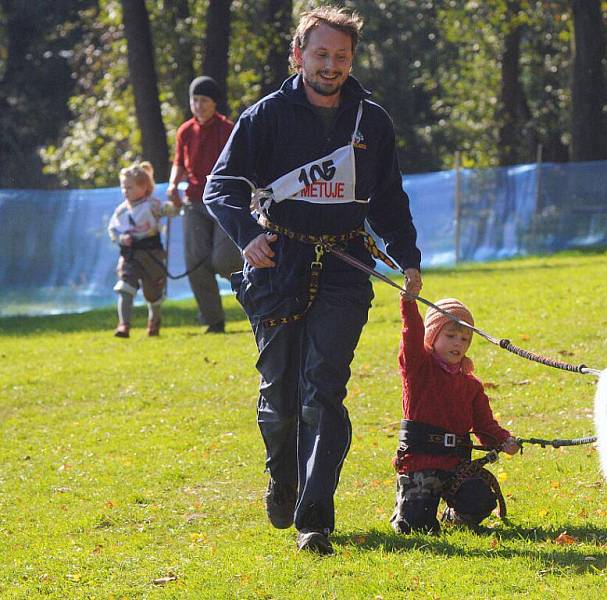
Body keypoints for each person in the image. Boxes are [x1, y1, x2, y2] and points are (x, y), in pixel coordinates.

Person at [203, 6, 423, 555]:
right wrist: (246, 235)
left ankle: (315, 520)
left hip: (346, 265)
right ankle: (282, 475)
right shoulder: (265, 117)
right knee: (280, 394)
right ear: (299, 55)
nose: (331, 65)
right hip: (278, 265)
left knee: (323, 389)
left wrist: (408, 258)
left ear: (352, 59)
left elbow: (390, 199)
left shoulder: (372, 121)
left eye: (341, 56)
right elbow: (220, 186)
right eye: (321, 54)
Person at [390, 296, 520, 534]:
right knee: (416, 526)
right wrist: (409, 302)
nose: (458, 343)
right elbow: (411, 335)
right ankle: (407, 509)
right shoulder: (417, 369)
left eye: (464, 338)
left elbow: (485, 425)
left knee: (481, 500)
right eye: (450, 336)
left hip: (455, 465)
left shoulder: (471, 386)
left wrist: (504, 440)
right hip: (420, 462)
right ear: (431, 336)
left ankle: (455, 516)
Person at [167, 75, 242, 333]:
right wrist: (172, 185)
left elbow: (237, 164)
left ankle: (259, 291)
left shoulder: (227, 129)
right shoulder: (185, 131)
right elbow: (179, 163)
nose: (198, 105)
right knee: (195, 262)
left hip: (223, 200)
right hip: (194, 201)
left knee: (224, 260)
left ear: (214, 103)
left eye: (204, 100)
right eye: (194, 100)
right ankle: (213, 321)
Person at [108, 161, 177, 337]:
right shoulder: (121, 211)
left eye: (129, 187)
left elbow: (169, 210)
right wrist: (121, 238)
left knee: (153, 292)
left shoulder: (152, 205)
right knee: (125, 287)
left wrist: (172, 206)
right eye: (123, 187)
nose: (125, 191)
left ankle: (154, 322)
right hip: (130, 256)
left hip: (152, 254)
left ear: (144, 187)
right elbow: (113, 229)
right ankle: (124, 324)